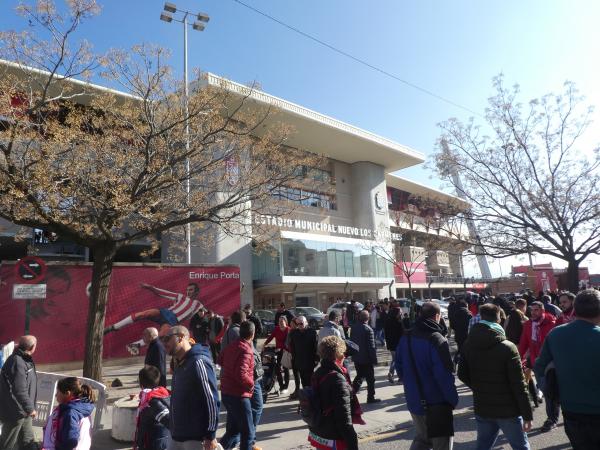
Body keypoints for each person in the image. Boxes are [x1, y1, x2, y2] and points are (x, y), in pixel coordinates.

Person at [458, 303, 532, 450]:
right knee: (520, 446)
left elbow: (462, 373)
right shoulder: (507, 347)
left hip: (483, 405)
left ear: (481, 317)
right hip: (508, 408)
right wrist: (527, 414)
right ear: (498, 319)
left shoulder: (468, 343)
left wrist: (480, 387)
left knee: (483, 445)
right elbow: (519, 384)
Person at [534, 289, 600, 449]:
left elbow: (539, 367)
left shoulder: (555, 334)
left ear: (575, 309)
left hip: (571, 410)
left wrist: (552, 393)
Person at [395, 302, 458, 450]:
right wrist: (452, 399)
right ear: (437, 316)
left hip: (414, 399)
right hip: (437, 402)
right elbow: (444, 375)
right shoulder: (437, 339)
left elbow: (399, 365)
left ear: (419, 315)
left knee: (423, 439)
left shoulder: (406, 336)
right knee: (441, 443)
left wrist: (410, 385)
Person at [103, 282, 204, 355]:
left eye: (191, 290)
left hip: (173, 321)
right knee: (144, 314)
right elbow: (165, 293)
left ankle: (136, 344)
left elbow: (209, 314)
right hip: (167, 312)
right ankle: (113, 327)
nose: (188, 292)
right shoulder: (181, 296)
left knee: (161, 334)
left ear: (196, 291)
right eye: (187, 290)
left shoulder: (199, 305)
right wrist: (151, 288)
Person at [163, 325, 219, 450]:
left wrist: (210, 435)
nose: (164, 343)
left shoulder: (199, 362)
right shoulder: (179, 362)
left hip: (194, 439)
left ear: (181, 337)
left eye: (167, 338)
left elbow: (211, 401)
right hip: (175, 435)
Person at [307, 336, 359, 450]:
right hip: (334, 436)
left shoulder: (317, 373)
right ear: (338, 355)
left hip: (319, 433)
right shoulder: (337, 379)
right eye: (343, 353)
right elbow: (343, 418)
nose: (344, 356)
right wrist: (352, 443)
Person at [518, 301, 557, 432]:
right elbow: (524, 341)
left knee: (550, 392)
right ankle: (553, 416)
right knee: (547, 391)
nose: (533, 313)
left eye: (536, 310)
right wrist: (518, 357)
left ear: (543, 310)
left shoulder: (552, 323)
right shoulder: (528, 325)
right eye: (532, 310)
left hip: (552, 364)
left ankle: (552, 418)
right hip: (537, 364)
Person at [219, 321, 258, 450]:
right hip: (238, 395)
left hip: (227, 392)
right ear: (252, 334)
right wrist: (251, 384)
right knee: (248, 433)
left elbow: (220, 359)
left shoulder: (232, 346)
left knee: (233, 430)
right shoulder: (246, 350)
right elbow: (241, 374)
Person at [0, 335, 38, 450]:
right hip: (15, 412)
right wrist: (30, 408)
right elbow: (19, 389)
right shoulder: (17, 361)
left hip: (23, 412)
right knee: (8, 444)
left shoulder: (24, 359)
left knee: (28, 442)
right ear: (32, 347)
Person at [41, 377, 96, 450]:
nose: (56, 395)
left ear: (67, 393)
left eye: (58, 392)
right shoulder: (78, 408)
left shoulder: (70, 413)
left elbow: (70, 441)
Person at [135, 366, 171, 450]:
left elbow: (169, 421)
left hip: (154, 444)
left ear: (141, 384)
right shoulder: (148, 397)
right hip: (152, 442)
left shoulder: (152, 402)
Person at [350, 310, 380, 403]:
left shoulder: (354, 328)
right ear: (368, 318)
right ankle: (370, 397)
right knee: (370, 379)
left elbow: (352, 343)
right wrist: (374, 360)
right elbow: (371, 347)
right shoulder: (368, 329)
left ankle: (351, 394)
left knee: (359, 376)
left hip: (357, 357)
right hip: (366, 359)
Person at [289, 316, 318, 390]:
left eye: (301, 323)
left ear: (306, 323)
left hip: (310, 361)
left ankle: (311, 397)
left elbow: (316, 347)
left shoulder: (312, 332)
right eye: (297, 324)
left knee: (310, 380)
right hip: (299, 362)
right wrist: (294, 360)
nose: (299, 325)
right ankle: (306, 397)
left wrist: (316, 359)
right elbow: (292, 348)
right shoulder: (294, 333)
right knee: (303, 381)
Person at [263, 316, 291, 393]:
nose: (280, 323)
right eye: (279, 321)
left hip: (286, 352)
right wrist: (265, 344)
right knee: (277, 369)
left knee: (286, 369)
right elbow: (271, 337)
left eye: (282, 321)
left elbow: (290, 342)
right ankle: (281, 386)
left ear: (285, 322)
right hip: (278, 351)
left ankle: (286, 386)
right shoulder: (277, 329)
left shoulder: (288, 330)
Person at [384, 305, 404, 384]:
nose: (401, 313)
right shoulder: (398, 322)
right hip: (398, 344)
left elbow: (386, 334)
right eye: (400, 312)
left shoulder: (387, 321)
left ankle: (392, 374)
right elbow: (402, 333)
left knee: (395, 360)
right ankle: (396, 375)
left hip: (391, 344)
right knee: (397, 361)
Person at [452, 300, 472, 364]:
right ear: (466, 306)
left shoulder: (455, 314)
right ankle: (464, 363)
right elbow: (471, 326)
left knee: (460, 349)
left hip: (458, 335)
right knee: (467, 351)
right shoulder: (469, 314)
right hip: (466, 335)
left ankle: (456, 361)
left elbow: (452, 325)